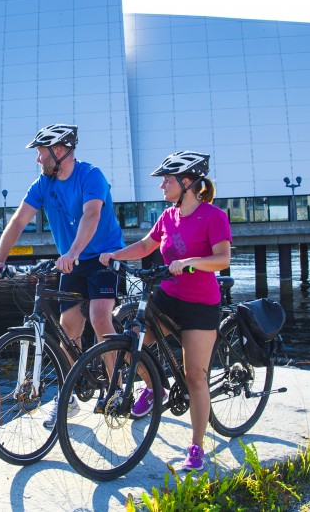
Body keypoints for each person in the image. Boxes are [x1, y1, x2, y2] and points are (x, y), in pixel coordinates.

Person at [99, 151, 231, 472]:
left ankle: (197, 446)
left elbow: (222, 259)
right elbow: (146, 245)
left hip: (200, 306)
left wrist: (190, 263)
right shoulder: (168, 216)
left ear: (187, 183)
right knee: (130, 343)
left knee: (195, 377)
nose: (162, 186)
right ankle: (150, 386)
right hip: (168, 298)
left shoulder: (213, 216)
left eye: (167, 180)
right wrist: (115, 255)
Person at [0, 123, 125, 428]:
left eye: (40, 152)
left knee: (101, 318)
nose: (38, 159)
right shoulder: (43, 184)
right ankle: (69, 395)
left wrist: (73, 252)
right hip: (72, 262)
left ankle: (115, 390)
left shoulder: (90, 176)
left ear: (59, 151)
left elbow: (92, 216)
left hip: (103, 256)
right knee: (67, 328)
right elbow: (19, 220)